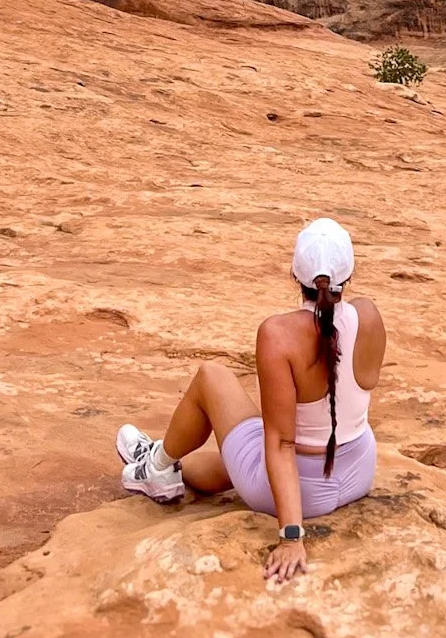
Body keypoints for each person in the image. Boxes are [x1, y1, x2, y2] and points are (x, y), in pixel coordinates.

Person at [114, 216, 385, 584]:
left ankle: (159, 466)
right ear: (348, 275)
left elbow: (280, 442)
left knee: (213, 376)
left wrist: (292, 536)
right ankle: (171, 467)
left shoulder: (279, 334)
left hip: (299, 492)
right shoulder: (368, 314)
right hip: (356, 472)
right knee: (231, 457)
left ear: (296, 276)